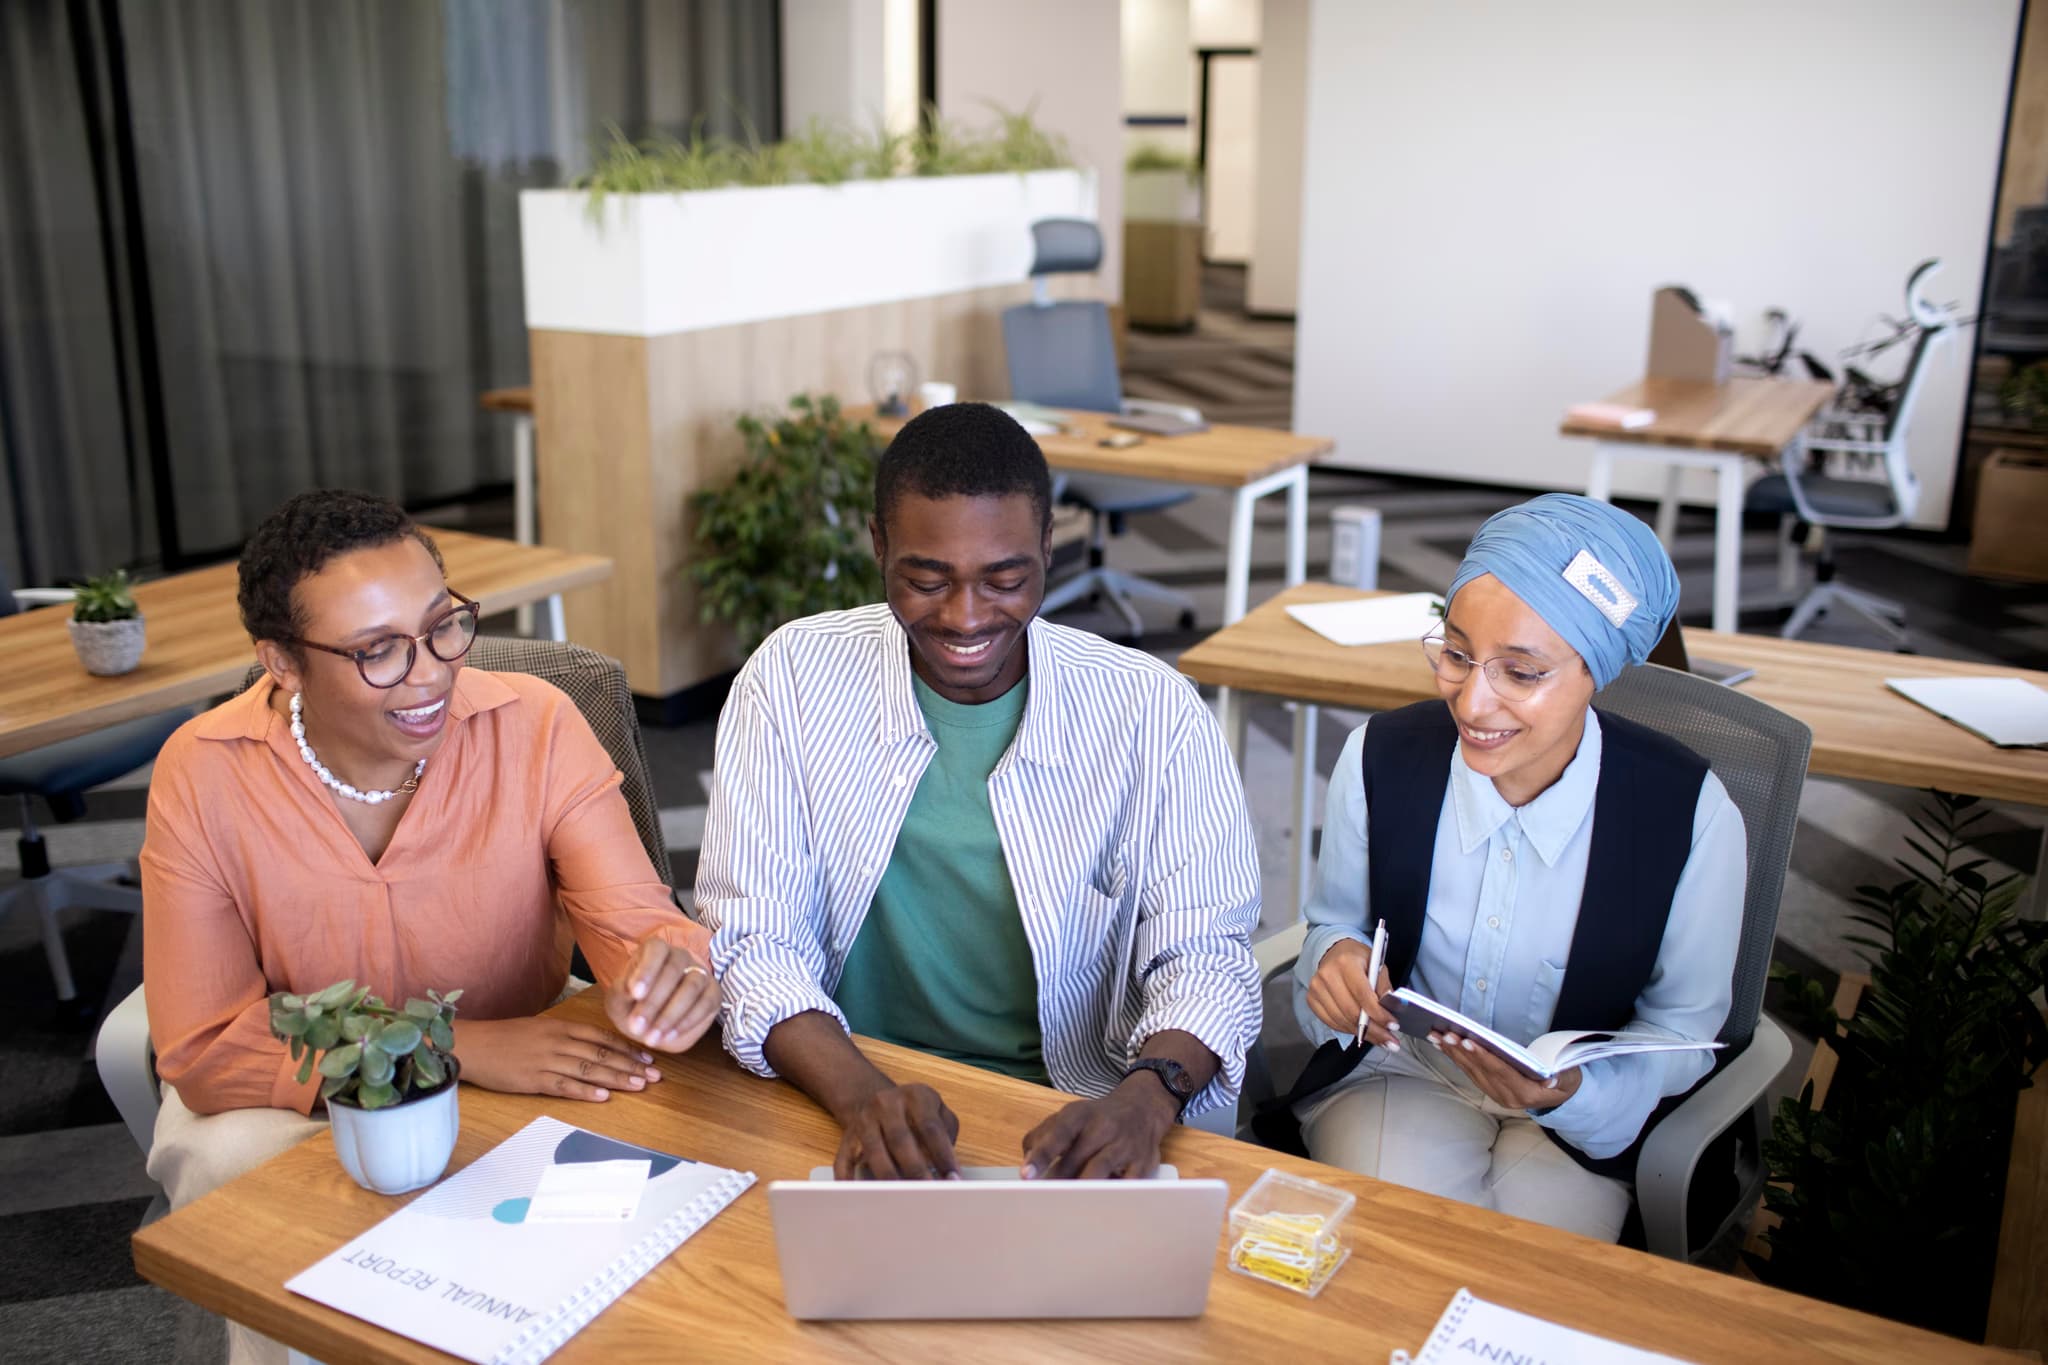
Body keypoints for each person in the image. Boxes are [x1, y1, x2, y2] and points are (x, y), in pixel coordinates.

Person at [695, 401, 1261, 1181]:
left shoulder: (1152, 712)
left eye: (1005, 579)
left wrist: (1146, 1097)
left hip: (1078, 1106)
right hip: (840, 1080)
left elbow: (1207, 957)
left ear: (1048, 547)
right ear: (878, 545)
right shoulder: (790, 680)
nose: (965, 618)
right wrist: (862, 1096)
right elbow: (752, 940)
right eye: (926, 579)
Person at [141, 491, 717, 1236]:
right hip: (312, 1090)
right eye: (377, 650)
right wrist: (451, 1046)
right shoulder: (204, 771)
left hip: (525, 1052)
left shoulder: (535, 724)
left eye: (442, 626)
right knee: (282, 1217)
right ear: (282, 663)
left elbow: (636, 927)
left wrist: (669, 976)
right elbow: (206, 1046)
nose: (431, 675)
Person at [1280, 493, 1746, 1242]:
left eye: (1520, 673)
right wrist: (1333, 958)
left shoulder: (1692, 815)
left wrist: (1572, 1091)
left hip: (1577, 1118)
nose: (1472, 701)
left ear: (1596, 672)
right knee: (1401, 1250)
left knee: (1529, 1277)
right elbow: (1337, 922)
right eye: (1456, 654)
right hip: (1406, 1072)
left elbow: (1682, 1031)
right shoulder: (1378, 758)